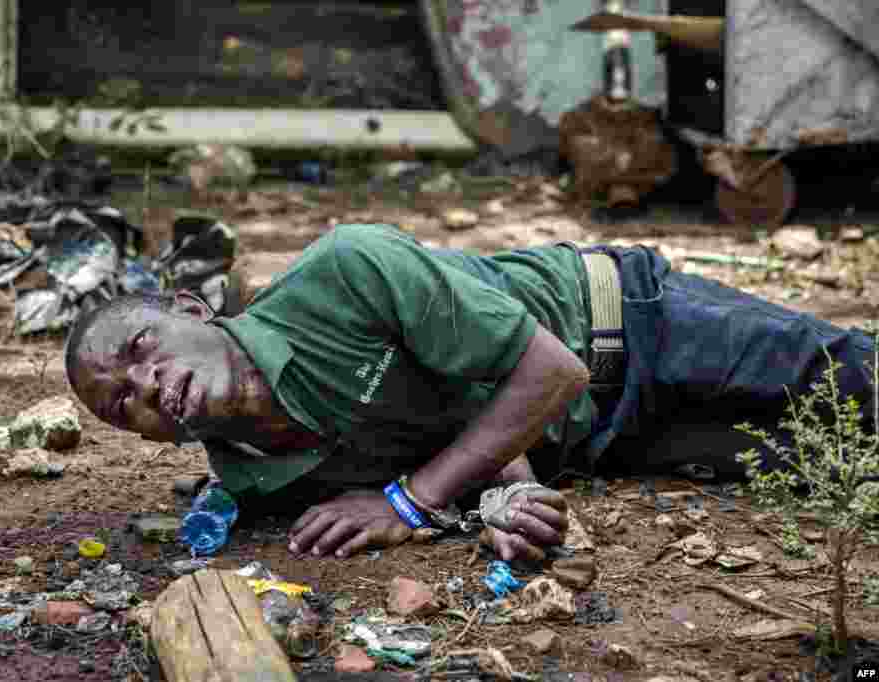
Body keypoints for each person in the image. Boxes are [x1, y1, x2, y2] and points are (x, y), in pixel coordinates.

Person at [64, 223, 877, 562]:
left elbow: (549, 370)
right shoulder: (253, 477)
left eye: (140, 350)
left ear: (192, 310)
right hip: (608, 441)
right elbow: (447, 420)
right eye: (120, 404)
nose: (145, 387)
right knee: (833, 466)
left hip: (626, 322)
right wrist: (506, 504)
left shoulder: (346, 270)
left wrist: (410, 503)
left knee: (857, 384)